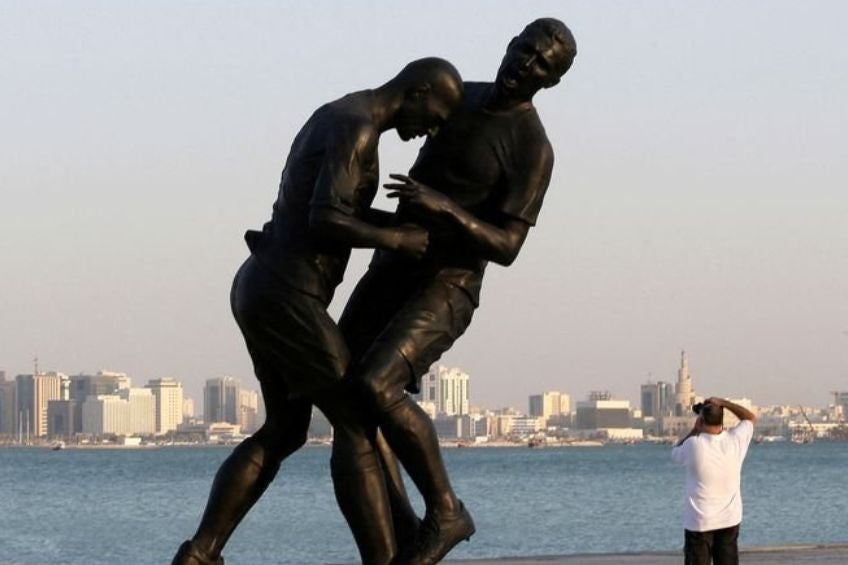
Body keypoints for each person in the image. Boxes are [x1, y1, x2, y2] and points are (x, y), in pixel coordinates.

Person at [171, 58, 464, 565]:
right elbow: (325, 217)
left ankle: (200, 554)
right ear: (418, 91)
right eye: (435, 117)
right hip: (287, 294)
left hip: (261, 285)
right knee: (356, 419)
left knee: (285, 430)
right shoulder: (358, 127)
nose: (430, 131)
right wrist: (396, 240)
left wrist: (399, 224)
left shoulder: (338, 114)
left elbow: (336, 207)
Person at [336, 18, 577, 565]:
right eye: (525, 51)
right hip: (394, 263)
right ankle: (402, 532)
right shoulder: (457, 96)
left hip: (448, 286)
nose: (526, 66)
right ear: (511, 44)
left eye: (541, 65)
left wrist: (446, 209)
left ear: (551, 81)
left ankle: (446, 510)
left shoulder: (532, 147)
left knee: (376, 384)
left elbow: (508, 245)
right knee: (348, 396)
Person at [671, 397, 757, 565]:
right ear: (721, 420)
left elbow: (675, 453)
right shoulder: (736, 440)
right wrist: (724, 403)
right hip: (729, 520)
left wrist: (694, 431)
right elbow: (750, 418)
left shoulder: (693, 444)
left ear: (700, 421)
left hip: (699, 522)